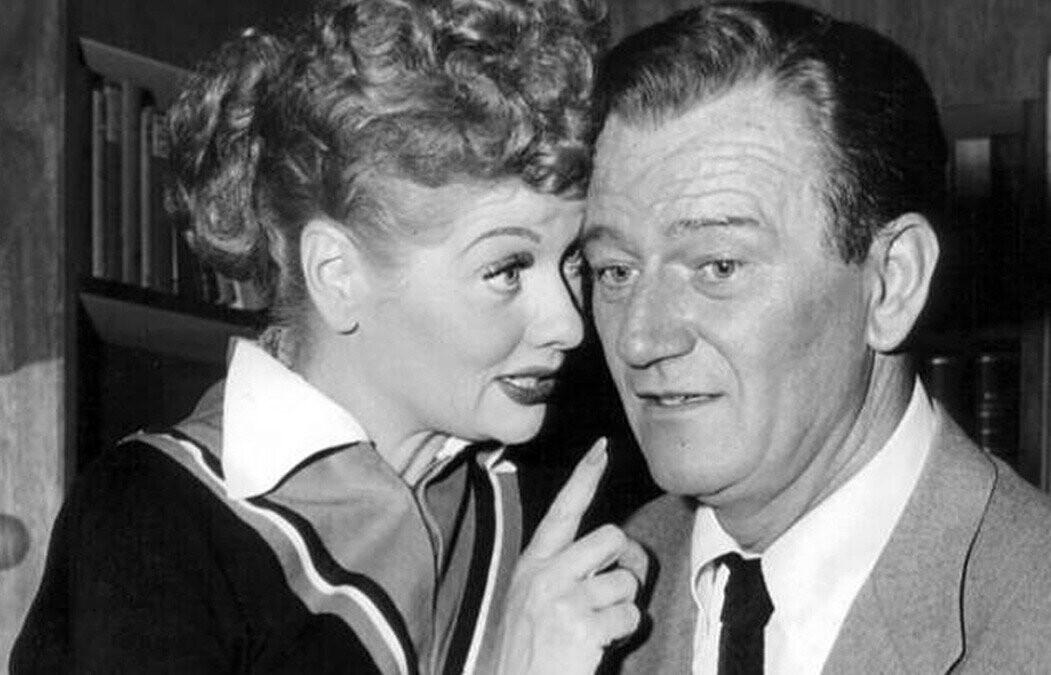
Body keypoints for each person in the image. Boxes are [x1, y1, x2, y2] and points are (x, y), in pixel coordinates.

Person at [13, 0, 646, 672]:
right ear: (337, 274)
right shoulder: (152, 518)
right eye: (506, 269)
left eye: (571, 261)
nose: (568, 323)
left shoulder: (563, 486)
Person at [580, 2, 1051, 673]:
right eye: (615, 270)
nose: (640, 338)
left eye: (719, 266)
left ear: (891, 285)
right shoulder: (598, 593)